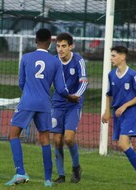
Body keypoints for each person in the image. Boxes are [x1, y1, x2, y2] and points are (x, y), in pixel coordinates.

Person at [4, 28, 72, 187]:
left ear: (36, 41)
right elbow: (61, 89)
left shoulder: (26, 58)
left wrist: (29, 92)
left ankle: (20, 173)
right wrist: (71, 97)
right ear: (50, 42)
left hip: (27, 101)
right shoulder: (56, 61)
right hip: (44, 103)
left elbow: (21, 83)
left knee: (13, 135)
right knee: (44, 139)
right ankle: (48, 180)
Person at [101, 46, 136, 188]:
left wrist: (125, 106)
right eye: (111, 56)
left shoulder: (132, 75)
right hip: (117, 114)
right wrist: (106, 111)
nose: (111, 58)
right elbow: (109, 94)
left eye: (113, 56)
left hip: (129, 113)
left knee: (123, 143)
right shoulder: (111, 75)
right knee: (126, 145)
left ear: (122, 57)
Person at [50, 33, 88, 184]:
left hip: (74, 104)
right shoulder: (53, 61)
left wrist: (76, 96)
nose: (60, 49)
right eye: (58, 46)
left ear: (71, 46)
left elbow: (84, 82)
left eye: (64, 46)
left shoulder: (78, 60)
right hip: (58, 104)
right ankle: (61, 175)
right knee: (57, 140)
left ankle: (76, 167)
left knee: (69, 138)